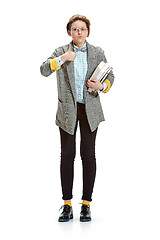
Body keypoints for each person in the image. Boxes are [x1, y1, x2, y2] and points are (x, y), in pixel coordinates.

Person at [40, 14, 114, 222]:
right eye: (75, 29)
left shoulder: (97, 52)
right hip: (67, 112)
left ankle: (86, 205)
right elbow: (43, 69)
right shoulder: (61, 52)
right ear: (69, 32)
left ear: (87, 31)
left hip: (90, 110)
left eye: (82, 28)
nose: (79, 32)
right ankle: (66, 205)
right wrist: (62, 59)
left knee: (88, 155)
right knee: (67, 156)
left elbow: (110, 76)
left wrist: (103, 86)